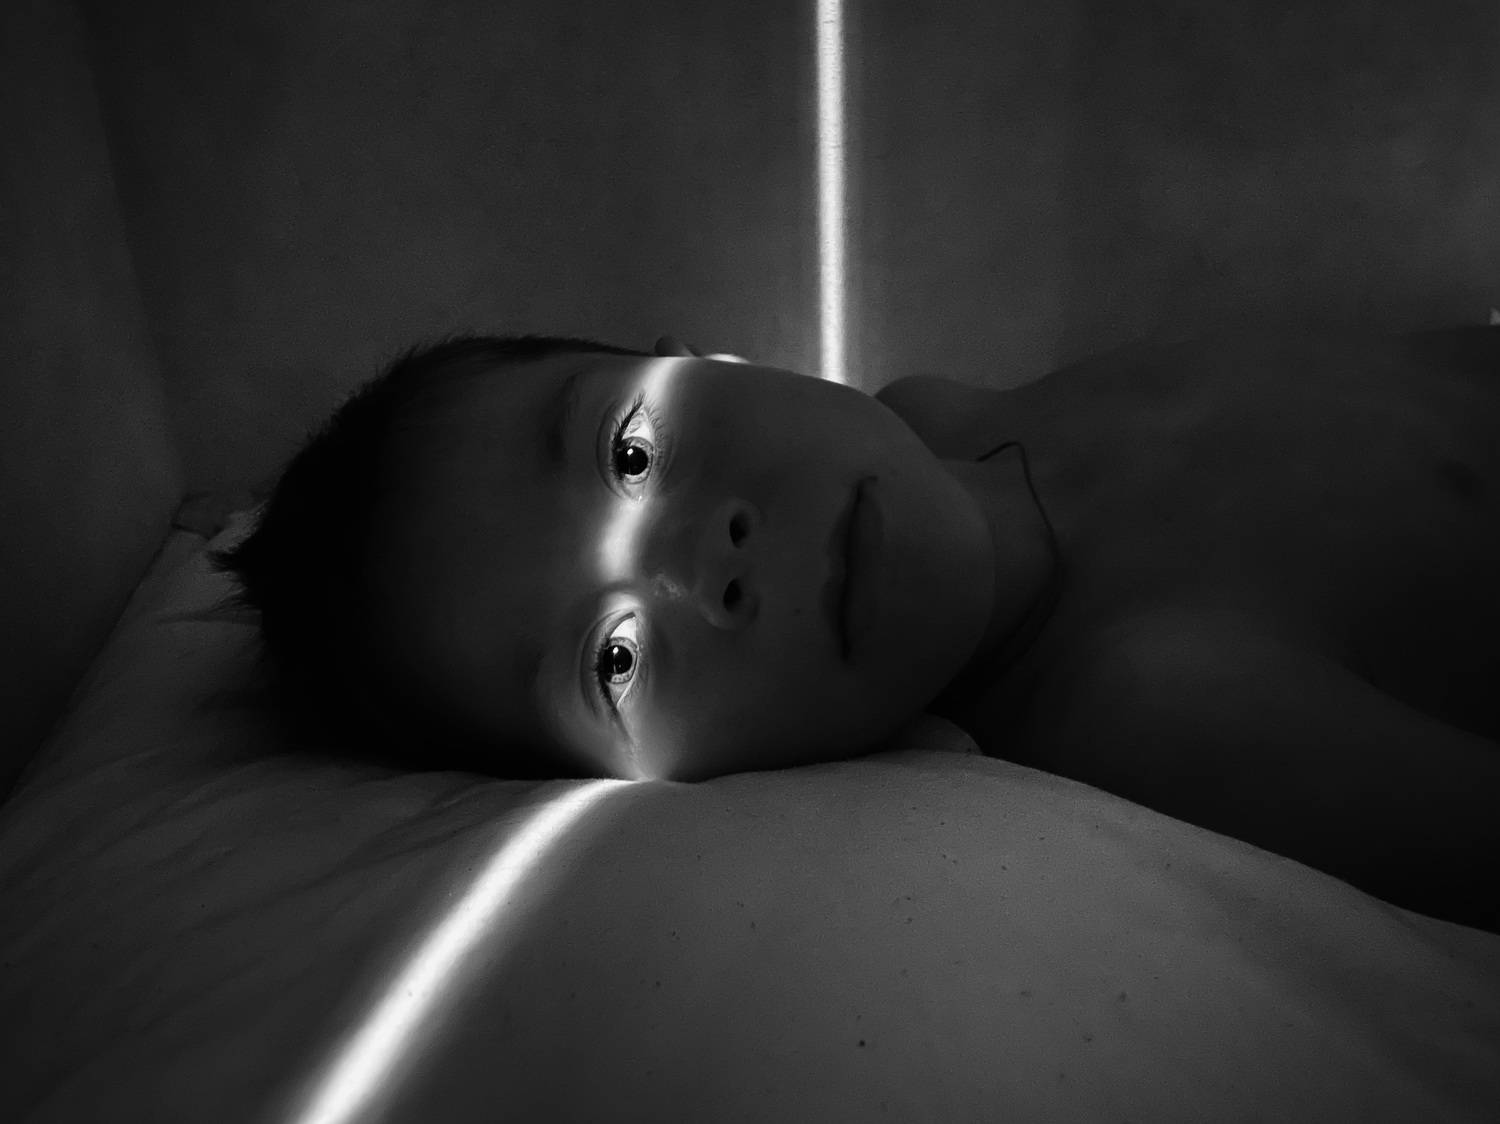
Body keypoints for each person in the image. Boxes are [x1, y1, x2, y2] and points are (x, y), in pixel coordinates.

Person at [214, 324, 1500, 931]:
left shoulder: (935, 406)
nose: (703, 560)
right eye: (615, 658)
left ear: (701, 355)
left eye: (633, 451)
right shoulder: (1152, 701)